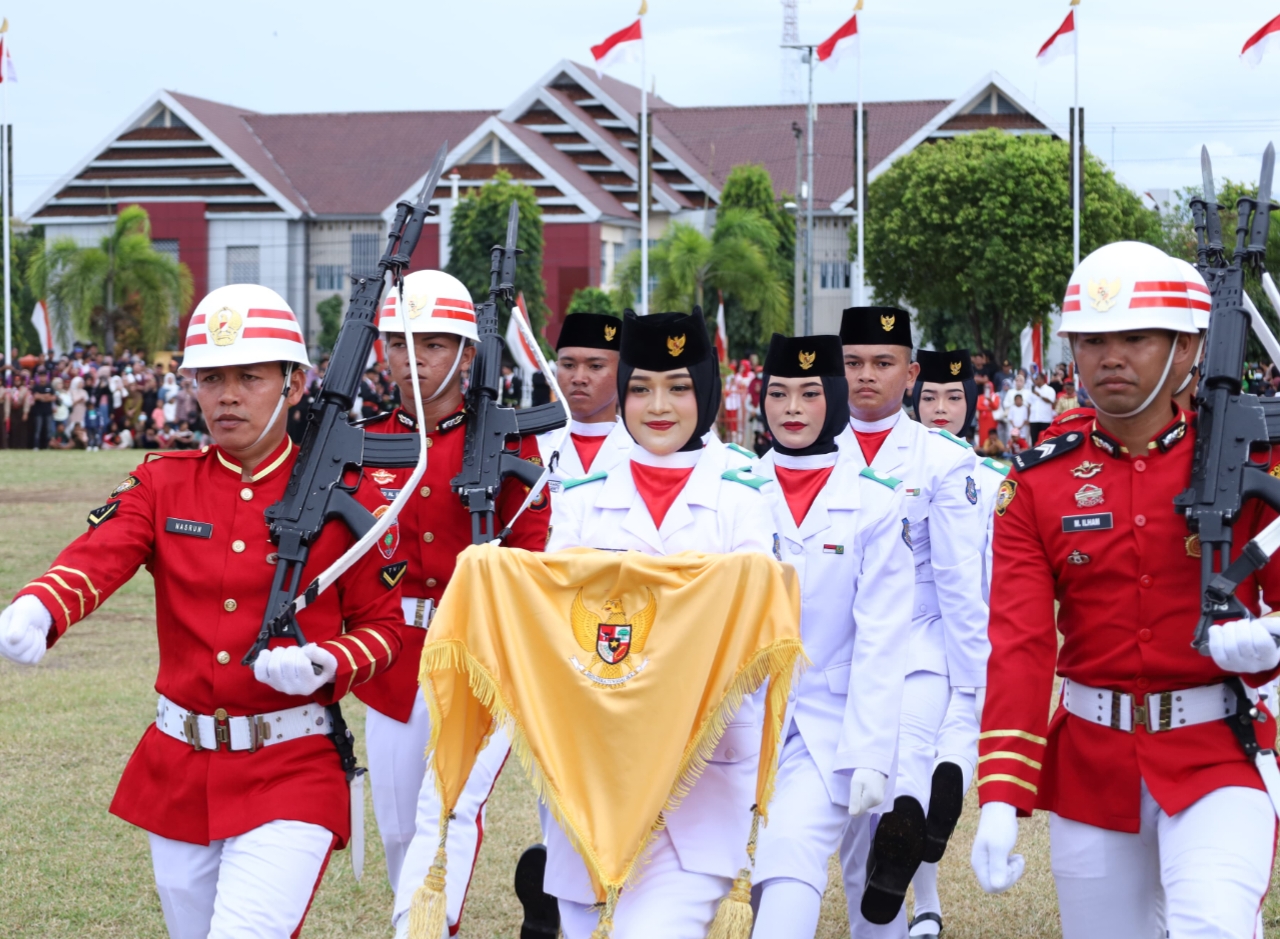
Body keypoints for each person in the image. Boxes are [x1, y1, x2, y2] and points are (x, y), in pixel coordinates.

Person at [0, 283, 404, 939]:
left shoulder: (345, 495)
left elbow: (385, 628)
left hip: (291, 766)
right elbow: (102, 551)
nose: (227, 395)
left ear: (295, 384)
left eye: (250, 376)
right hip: (181, 768)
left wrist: (329, 661)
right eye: (211, 377)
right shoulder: (164, 481)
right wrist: (42, 604)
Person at [971, 241, 1279, 939]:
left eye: (1135, 337)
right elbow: (1019, 645)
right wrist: (999, 795)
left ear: (1188, 346)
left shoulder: (1248, 458)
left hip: (1217, 753)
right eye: (1091, 340)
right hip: (1091, 764)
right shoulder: (1035, 483)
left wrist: (1270, 638)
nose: (1109, 357)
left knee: (1214, 926)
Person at [537, 307, 775, 939]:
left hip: (696, 784)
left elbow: (756, 641)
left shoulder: (744, 496)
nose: (658, 405)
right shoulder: (583, 498)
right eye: (641, 387)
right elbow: (556, 629)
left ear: (708, 389)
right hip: (594, 779)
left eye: (679, 386)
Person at [372, 271, 552, 938]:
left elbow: (531, 545)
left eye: (433, 343)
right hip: (390, 652)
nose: (411, 357)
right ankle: (417, 918)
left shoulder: (504, 436)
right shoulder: (363, 440)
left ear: (469, 355)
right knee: (397, 824)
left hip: (478, 649)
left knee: (446, 809)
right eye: (398, 341)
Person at [749, 333, 914, 939]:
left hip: (831, 722)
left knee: (793, 850)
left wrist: (871, 751)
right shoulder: (736, 490)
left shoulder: (873, 500)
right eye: (779, 393)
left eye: (810, 393)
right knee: (751, 875)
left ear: (836, 398)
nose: (792, 407)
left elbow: (882, 635)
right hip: (744, 722)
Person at [834, 308, 987, 934]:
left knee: (903, 770)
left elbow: (959, 581)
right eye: (853, 363)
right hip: (838, 654)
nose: (866, 375)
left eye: (883, 362)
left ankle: (915, 824)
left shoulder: (943, 460)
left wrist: (975, 685)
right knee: (852, 833)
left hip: (918, 642)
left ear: (910, 373)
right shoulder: (811, 451)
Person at [902, 348, 1004, 937]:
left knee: (953, 741)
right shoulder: (892, 469)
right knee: (915, 763)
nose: (941, 410)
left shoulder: (995, 480)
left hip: (972, 633)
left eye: (954, 398)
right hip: (912, 635)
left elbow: (998, 576)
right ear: (916, 399)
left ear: (973, 404)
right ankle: (926, 901)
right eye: (931, 397)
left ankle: (930, 889)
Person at [538, 311, 630, 484]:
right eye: (568, 365)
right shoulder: (531, 449)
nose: (579, 378)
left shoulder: (642, 450)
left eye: (595, 366)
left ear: (622, 372)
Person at [1027, 372, 1056, 444]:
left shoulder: (1049, 389)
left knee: (1045, 440)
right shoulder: (1032, 391)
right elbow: (1029, 405)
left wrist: (1040, 395)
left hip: (1045, 419)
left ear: (1042, 379)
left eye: (1037, 379)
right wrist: (1028, 418)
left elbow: (1051, 400)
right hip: (1033, 419)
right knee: (1034, 440)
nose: (1035, 381)